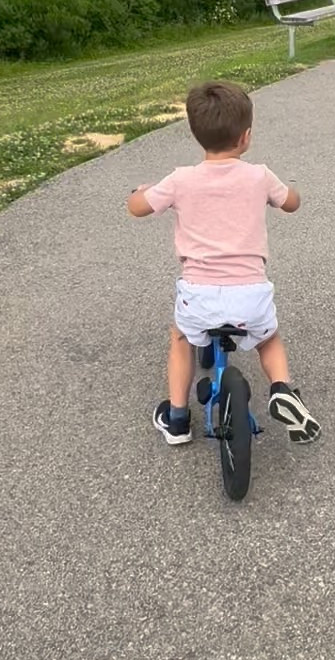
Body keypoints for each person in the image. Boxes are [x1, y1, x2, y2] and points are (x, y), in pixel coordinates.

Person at [127, 79, 320, 448]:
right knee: (268, 338)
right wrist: (289, 189)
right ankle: (282, 389)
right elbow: (291, 203)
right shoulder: (259, 176)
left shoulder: (180, 180)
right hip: (251, 295)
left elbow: (137, 208)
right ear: (245, 136)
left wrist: (139, 191)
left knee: (180, 337)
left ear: (195, 133)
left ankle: (178, 418)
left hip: (198, 297)